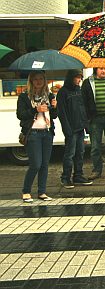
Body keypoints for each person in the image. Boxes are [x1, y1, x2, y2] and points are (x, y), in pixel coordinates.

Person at [17, 70, 57, 202]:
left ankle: (42, 192)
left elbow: (54, 116)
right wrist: (36, 109)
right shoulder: (24, 97)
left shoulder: (49, 95)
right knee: (36, 164)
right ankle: (26, 191)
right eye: (36, 79)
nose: (39, 82)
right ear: (31, 81)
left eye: (41, 79)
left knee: (45, 164)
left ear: (45, 81)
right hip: (33, 133)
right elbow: (20, 115)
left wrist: (55, 107)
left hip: (47, 132)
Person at [57, 69, 93, 189]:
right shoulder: (63, 92)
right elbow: (62, 112)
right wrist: (67, 129)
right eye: (77, 78)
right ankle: (65, 177)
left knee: (80, 152)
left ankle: (78, 175)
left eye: (80, 78)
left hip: (80, 127)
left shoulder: (79, 90)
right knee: (70, 154)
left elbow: (82, 109)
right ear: (71, 78)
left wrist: (86, 126)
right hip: (71, 129)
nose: (79, 80)